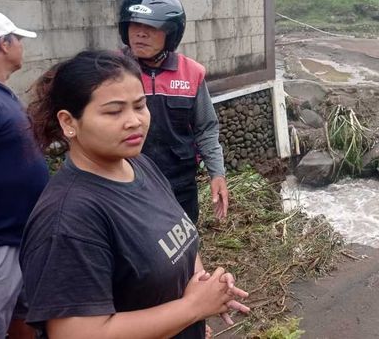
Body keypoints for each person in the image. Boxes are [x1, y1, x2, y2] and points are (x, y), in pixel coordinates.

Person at [21, 50, 249, 339]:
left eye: (140, 106)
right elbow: (78, 334)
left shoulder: (139, 165)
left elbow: (179, 245)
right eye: (114, 111)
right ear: (69, 122)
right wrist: (192, 308)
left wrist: (203, 288)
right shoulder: (69, 220)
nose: (134, 121)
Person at [118, 0, 228, 224]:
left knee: (183, 247)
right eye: (134, 26)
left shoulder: (191, 73)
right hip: (127, 184)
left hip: (179, 184)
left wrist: (217, 174)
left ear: (171, 33)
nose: (140, 34)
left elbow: (206, 128)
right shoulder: (110, 71)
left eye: (150, 27)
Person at [0, 11, 48, 339]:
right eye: (18, 40)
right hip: (1, 243)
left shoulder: (4, 95)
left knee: (23, 316)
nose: (22, 47)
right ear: (4, 44)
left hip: (21, 237)